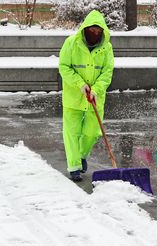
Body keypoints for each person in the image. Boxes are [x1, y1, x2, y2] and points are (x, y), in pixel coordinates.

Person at [58, 10, 114, 182]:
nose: (95, 33)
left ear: (103, 31)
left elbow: (107, 72)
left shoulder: (106, 48)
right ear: (85, 29)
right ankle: (74, 167)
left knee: (92, 132)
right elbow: (64, 67)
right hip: (74, 97)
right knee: (72, 133)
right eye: (92, 30)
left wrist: (95, 90)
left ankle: (82, 155)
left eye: (98, 31)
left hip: (95, 99)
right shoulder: (71, 43)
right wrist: (80, 85)